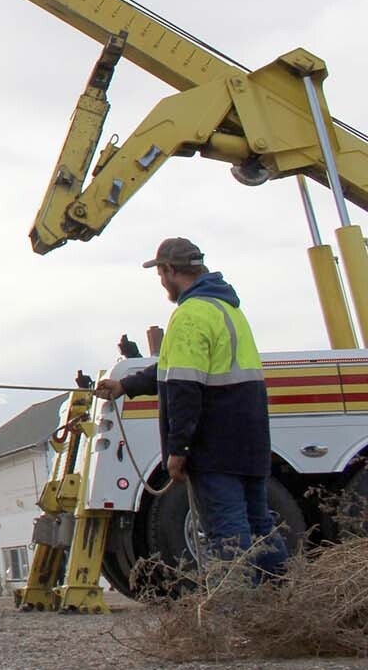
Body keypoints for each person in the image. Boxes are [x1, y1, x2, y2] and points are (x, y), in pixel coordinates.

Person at [94, 237, 288, 580]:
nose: (162, 282)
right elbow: (173, 369)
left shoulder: (189, 315)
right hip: (251, 442)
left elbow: (184, 388)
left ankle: (239, 616)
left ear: (169, 270)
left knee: (227, 532)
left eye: (160, 274)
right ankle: (286, 600)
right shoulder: (227, 310)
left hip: (216, 447)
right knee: (261, 526)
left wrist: (178, 449)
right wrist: (126, 386)